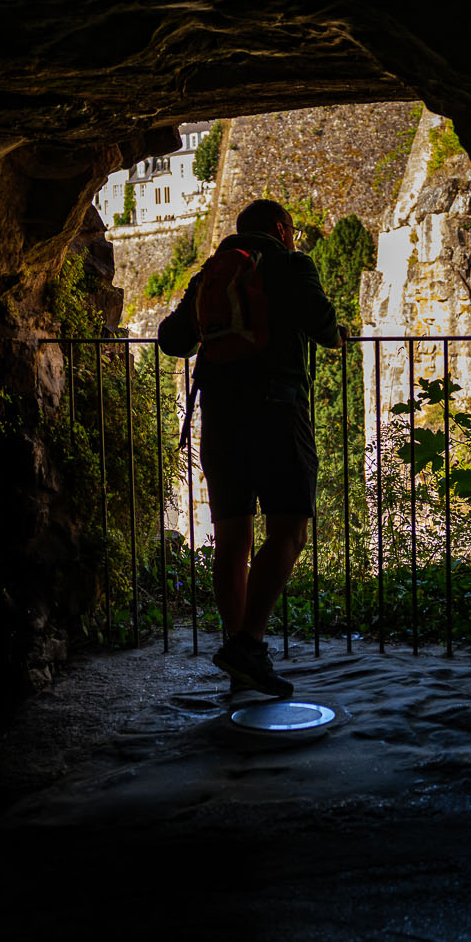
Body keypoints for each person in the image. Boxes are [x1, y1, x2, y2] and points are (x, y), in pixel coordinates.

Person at [158, 199, 348, 697]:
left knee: (232, 537)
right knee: (290, 528)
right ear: (283, 230)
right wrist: (339, 334)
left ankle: (238, 649)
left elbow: (173, 340)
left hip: (220, 418)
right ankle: (249, 644)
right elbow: (324, 327)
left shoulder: (210, 274)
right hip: (277, 412)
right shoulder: (291, 264)